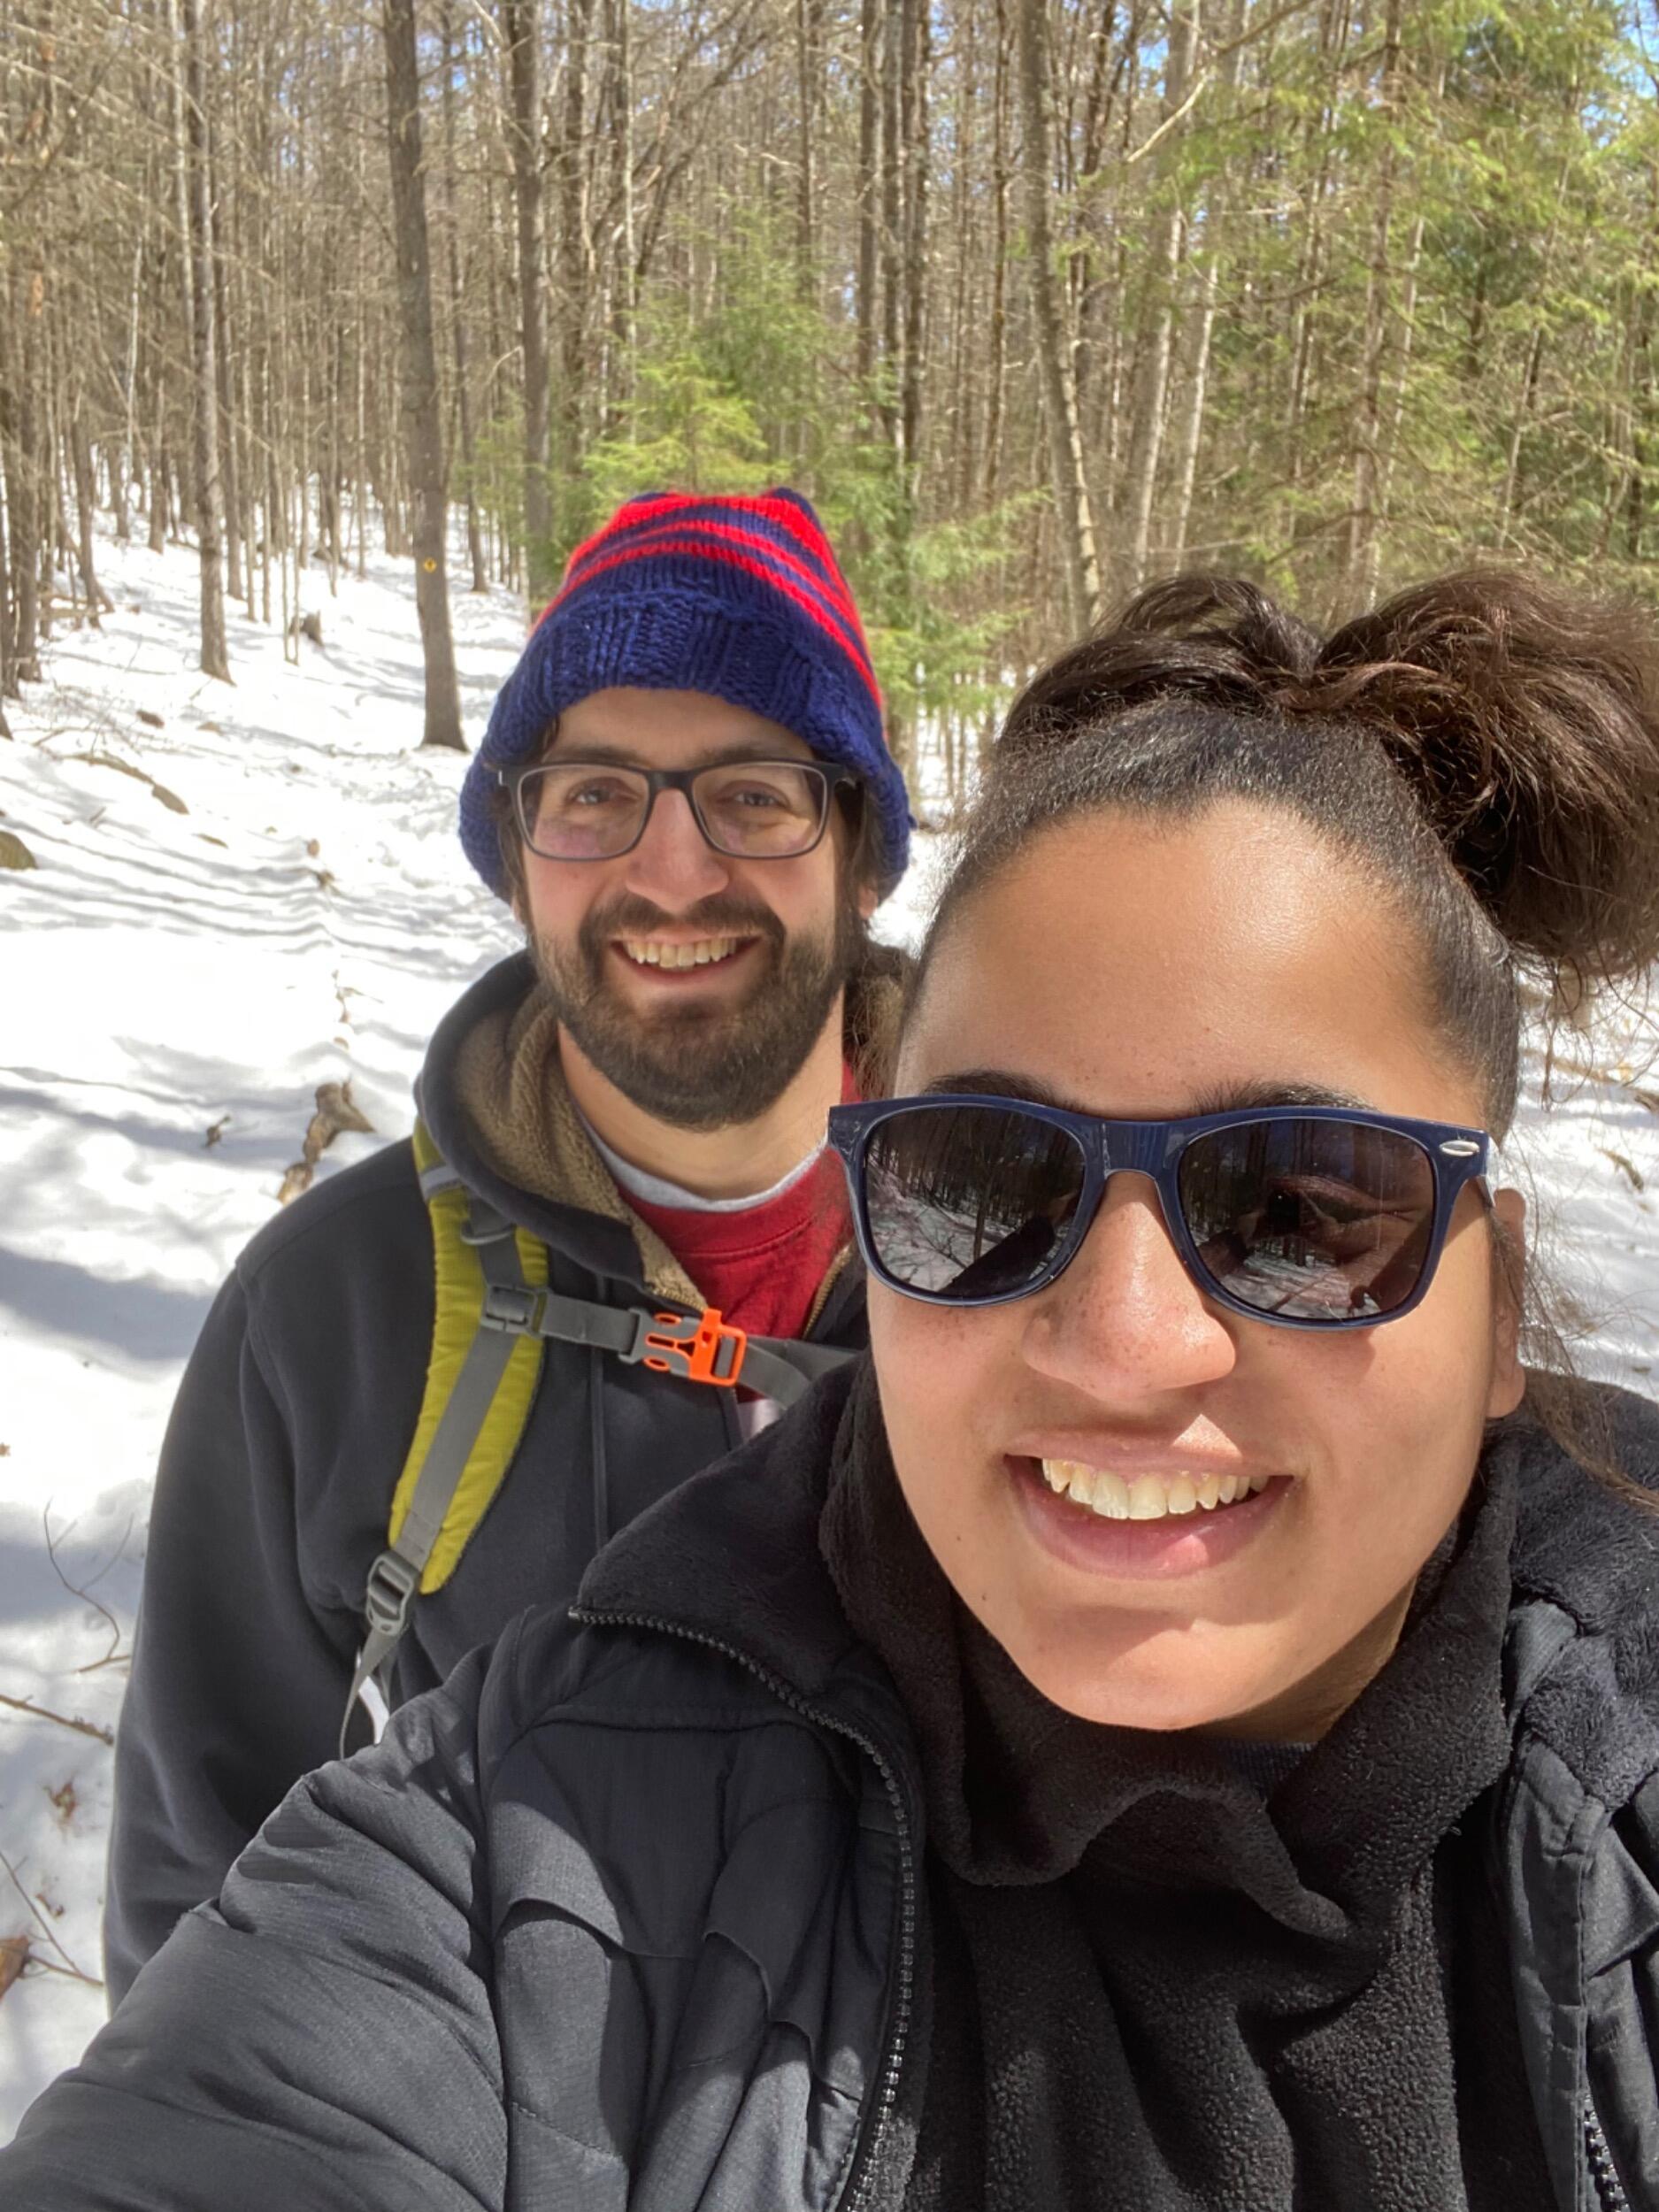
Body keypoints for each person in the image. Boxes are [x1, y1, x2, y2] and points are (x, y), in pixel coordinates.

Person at [19, 568, 1659, 2210]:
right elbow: (255, 1960)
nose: (1125, 1341)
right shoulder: (529, 1746)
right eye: (986, 1184)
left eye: (1300, 1210)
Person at [102, 486, 912, 2002]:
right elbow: (199, 1905)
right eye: (594, 793)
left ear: (862, 852)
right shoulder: (338, 1315)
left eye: (755, 791)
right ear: (519, 854)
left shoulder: (1044, 1246)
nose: (673, 874)